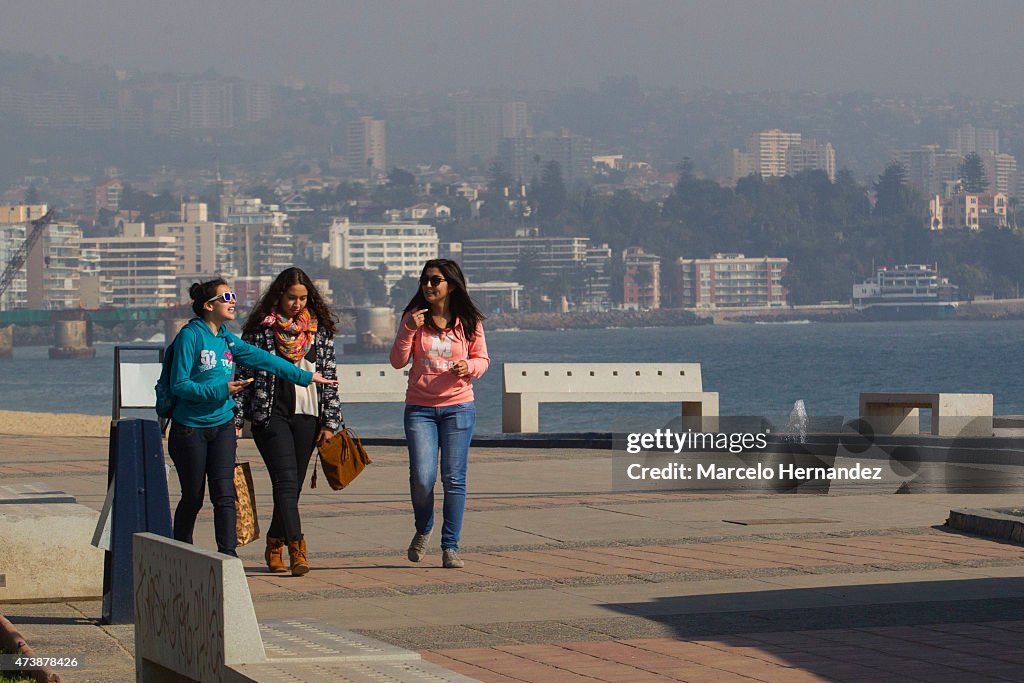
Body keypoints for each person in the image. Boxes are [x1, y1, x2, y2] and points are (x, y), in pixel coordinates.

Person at [166, 278, 337, 558]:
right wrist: (222, 389)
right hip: (190, 429)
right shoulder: (190, 336)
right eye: (227, 296)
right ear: (209, 305)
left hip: (221, 425)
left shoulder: (226, 338)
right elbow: (180, 385)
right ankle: (180, 551)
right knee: (193, 497)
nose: (233, 300)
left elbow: (265, 360)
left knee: (224, 495)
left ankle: (227, 554)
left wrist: (306, 377)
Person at [235, 268, 342, 576]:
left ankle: (274, 541)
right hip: (270, 414)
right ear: (278, 296)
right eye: (292, 298)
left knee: (292, 487)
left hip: (308, 414)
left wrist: (330, 420)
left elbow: (331, 376)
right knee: (283, 481)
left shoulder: (318, 330)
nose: (297, 304)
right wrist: (237, 420)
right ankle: (297, 548)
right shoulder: (259, 331)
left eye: (303, 298)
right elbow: (243, 376)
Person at [389, 259, 489, 569]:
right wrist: (408, 330)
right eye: (425, 280)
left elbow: (483, 360)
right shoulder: (413, 319)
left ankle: (450, 546)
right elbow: (396, 360)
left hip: (458, 407)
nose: (429, 285)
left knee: (453, 478)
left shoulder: (468, 321)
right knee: (422, 477)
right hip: (420, 409)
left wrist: (468, 367)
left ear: (451, 285)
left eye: (436, 280)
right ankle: (424, 528)